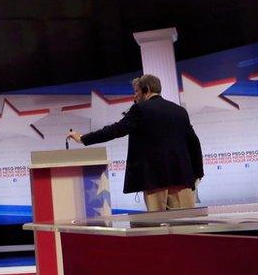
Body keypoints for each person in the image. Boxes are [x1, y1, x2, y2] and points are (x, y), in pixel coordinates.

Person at [67, 74, 204, 211]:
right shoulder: (179, 111)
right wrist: (198, 172)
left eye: (137, 91)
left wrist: (83, 138)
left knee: (159, 226)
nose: (135, 96)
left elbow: (116, 130)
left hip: (154, 180)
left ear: (147, 89)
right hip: (182, 178)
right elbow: (194, 142)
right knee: (185, 224)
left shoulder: (140, 109)